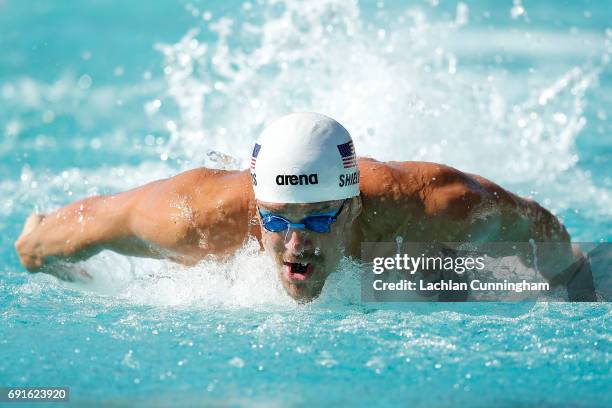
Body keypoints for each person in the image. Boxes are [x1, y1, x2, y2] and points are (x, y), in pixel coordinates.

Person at [14, 112, 596, 301]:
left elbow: (540, 228)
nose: (297, 244)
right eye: (279, 220)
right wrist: (40, 249)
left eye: (318, 218)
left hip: (406, 245)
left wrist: (569, 275)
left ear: (349, 204)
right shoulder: (198, 220)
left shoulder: (434, 204)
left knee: (442, 276)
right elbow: (61, 233)